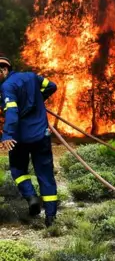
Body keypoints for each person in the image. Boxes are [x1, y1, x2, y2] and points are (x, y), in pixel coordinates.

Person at [0, 56, 59, 226]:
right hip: (42, 135)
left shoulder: (7, 86)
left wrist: (7, 135)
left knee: (17, 170)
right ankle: (51, 218)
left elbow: (11, 112)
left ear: (4, 70)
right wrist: (40, 98)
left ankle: (31, 197)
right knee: (46, 175)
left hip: (21, 138)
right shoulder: (32, 77)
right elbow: (52, 86)